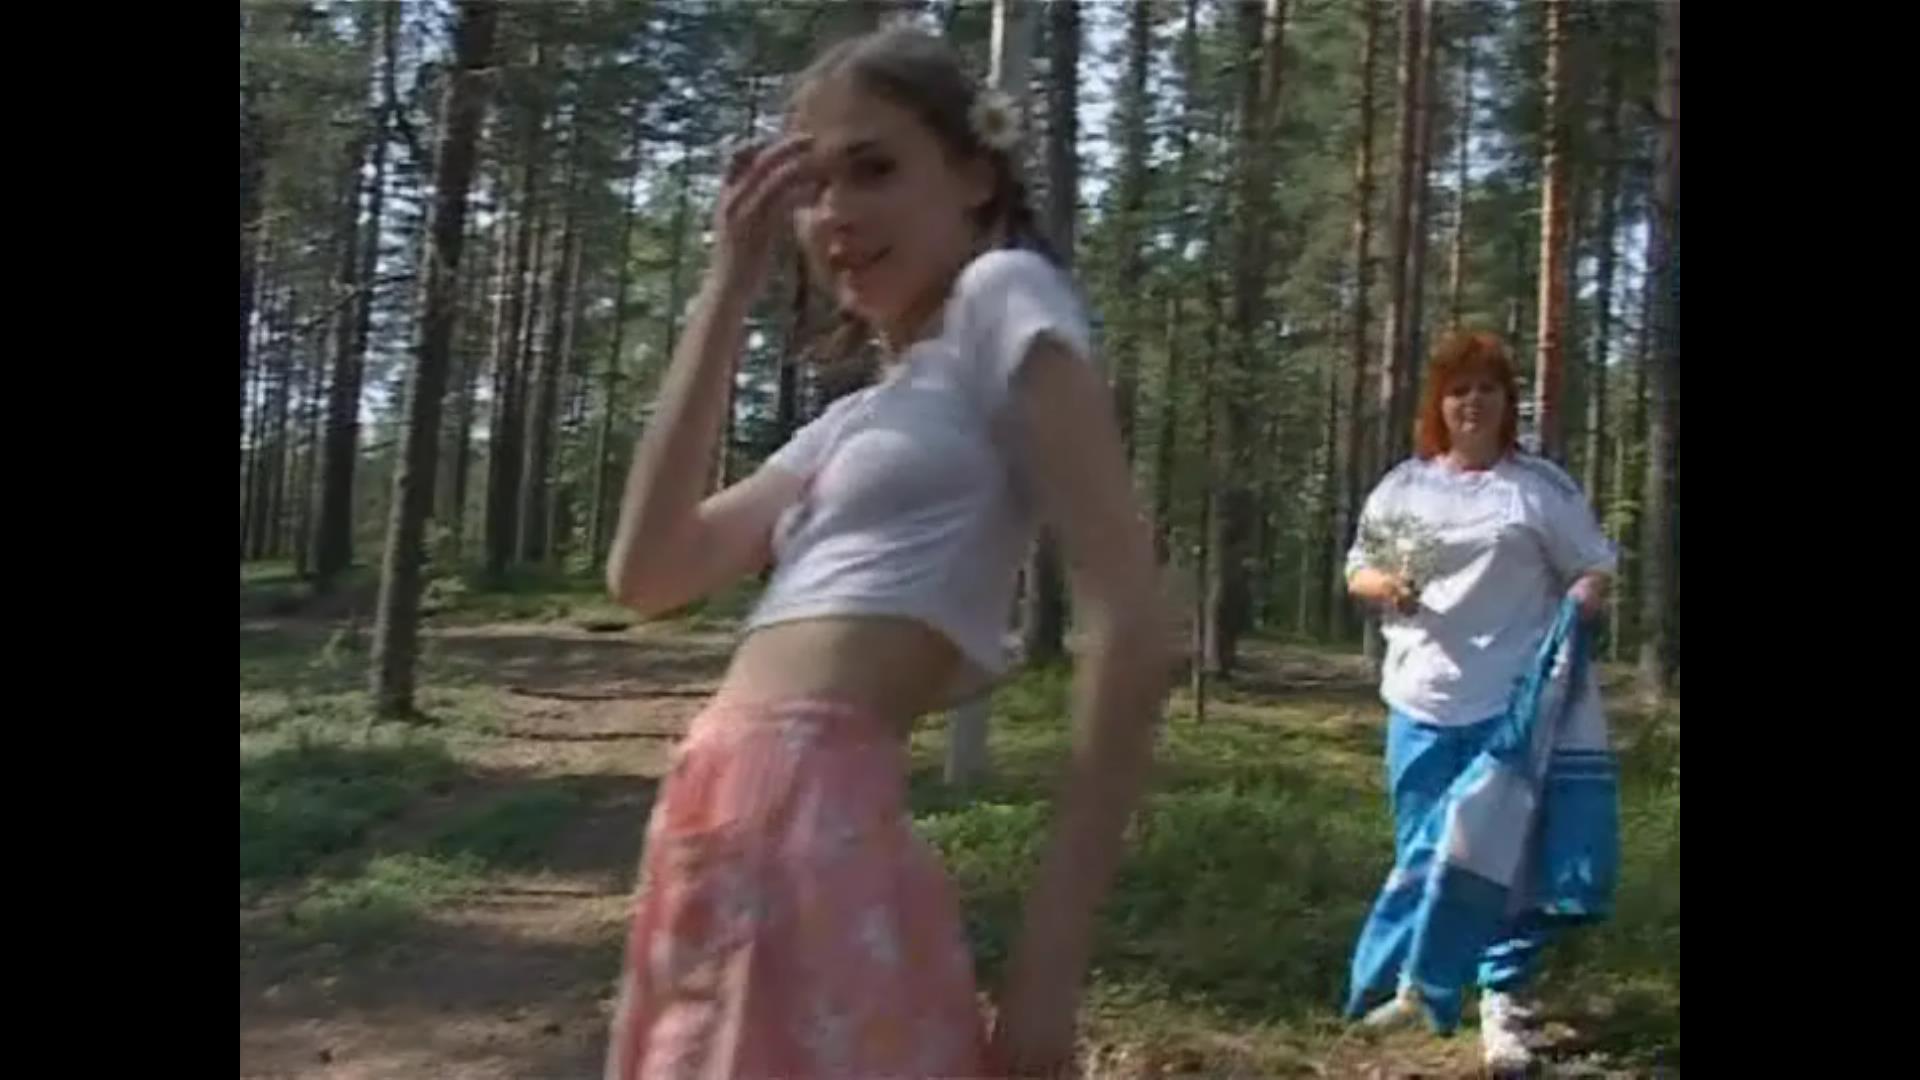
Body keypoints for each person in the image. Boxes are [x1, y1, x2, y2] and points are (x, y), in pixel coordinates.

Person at [601, 28, 1171, 1080]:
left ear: (974, 174)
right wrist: (728, 282)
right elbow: (648, 571)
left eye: (874, 169)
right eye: (812, 187)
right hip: (708, 839)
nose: (835, 214)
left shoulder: (1005, 292)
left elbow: (1133, 627)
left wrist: (1050, 974)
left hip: (814, 832)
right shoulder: (852, 422)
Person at [1341, 332, 1618, 1074]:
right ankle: (1421, 986)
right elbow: (1358, 569)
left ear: (1507, 401)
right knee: (1426, 850)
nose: (1472, 402)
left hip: (1512, 708)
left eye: (1487, 388)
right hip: (1422, 698)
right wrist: (1386, 586)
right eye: (1459, 390)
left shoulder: (1538, 488)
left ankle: (1504, 1004)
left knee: (1505, 857)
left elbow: (1593, 565)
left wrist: (1585, 598)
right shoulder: (1405, 488)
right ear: (1439, 404)